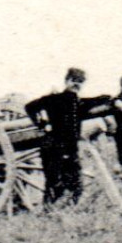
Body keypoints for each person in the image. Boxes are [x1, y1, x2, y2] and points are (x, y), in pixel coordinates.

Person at [24, 68, 111, 205]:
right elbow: (30, 107)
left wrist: (112, 99)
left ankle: (66, 210)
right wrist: (41, 123)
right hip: (53, 146)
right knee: (54, 183)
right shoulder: (53, 99)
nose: (77, 84)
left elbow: (100, 99)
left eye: (81, 81)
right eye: (74, 80)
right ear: (66, 81)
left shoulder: (79, 102)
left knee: (75, 184)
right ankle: (49, 212)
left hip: (70, 148)